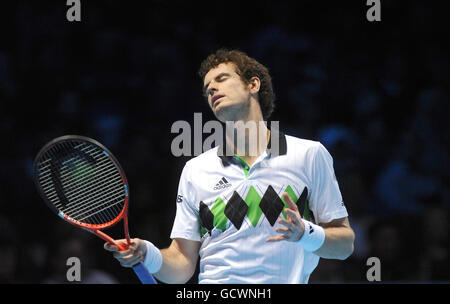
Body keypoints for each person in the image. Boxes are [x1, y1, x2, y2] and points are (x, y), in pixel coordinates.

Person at [104, 49, 355, 284]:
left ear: (253, 85)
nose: (212, 88)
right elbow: (182, 263)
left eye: (222, 79)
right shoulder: (195, 169)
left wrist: (305, 234)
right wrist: (147, 253)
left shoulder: (309, 155)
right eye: (207, 88)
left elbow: (344, 245)